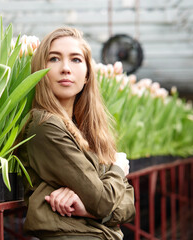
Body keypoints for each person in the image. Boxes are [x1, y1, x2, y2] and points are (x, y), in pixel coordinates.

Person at [16, 27, 135, 240]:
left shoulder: (89, 129)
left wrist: (87, 208)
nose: (65, 69)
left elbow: (128, 206)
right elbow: (103, 201)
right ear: (39, 70)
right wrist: (117, 169)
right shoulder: (45, 125)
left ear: (88, 74)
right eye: (54, 59)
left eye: (76, 59)